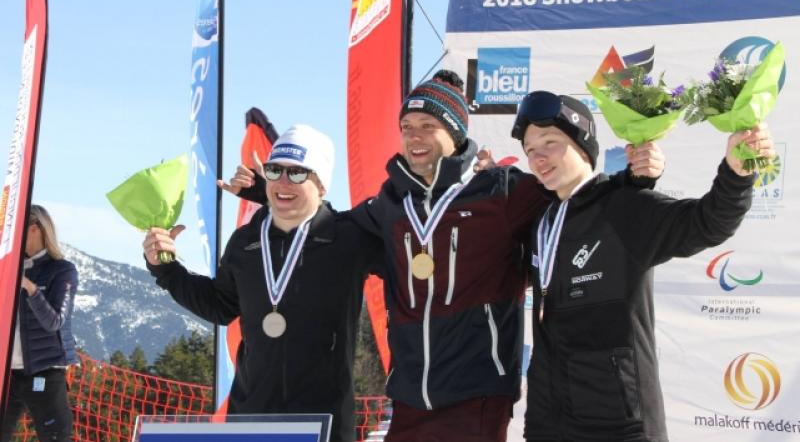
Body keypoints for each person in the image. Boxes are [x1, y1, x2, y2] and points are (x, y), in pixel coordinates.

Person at [232, 71, 663, 441]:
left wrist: (635, 180)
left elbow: (577, 196)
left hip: (475, 391)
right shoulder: (389, 204)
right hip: (408, 394)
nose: (413, 136)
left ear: (455, 133)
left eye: (427, 125)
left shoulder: (504, 191)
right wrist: (277, 195)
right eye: (406, 126)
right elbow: (333, 231)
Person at [511, 90, 775, 442]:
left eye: (550, 142)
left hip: (619, 423)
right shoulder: (542, 222)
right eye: (530, 150)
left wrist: (736, 174)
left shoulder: (625, 209)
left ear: (583, 145)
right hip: (549, 421)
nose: (539, 157)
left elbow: (707, 223)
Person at [143, 125, 382, 442]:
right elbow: (220, 306)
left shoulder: (347, 238)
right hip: (251, 420)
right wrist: (167, 269)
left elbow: (408, 235)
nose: (283, 181)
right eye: (274, 170)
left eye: (297, 173)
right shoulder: (246, 241)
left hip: (324, 422)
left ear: (322, 184)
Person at [1, 205, 78, 442]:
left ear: (34, 228)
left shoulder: (62, 270)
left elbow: (54, 322)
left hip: (45, 371)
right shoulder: (7, 269)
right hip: (8, 373)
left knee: (56, 437)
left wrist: (30, 287)